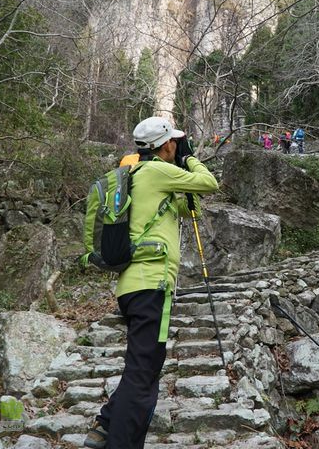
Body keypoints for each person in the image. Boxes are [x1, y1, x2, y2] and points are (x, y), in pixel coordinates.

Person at [84, 117, 219, 449]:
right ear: (167, 145)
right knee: (144, 375)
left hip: (133, 286)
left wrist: (182, 180)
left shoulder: (140, 177)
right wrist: (189, 158)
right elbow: (210, 183)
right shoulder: (159, 171)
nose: (177, 146)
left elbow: (193, 211)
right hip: (152, 284)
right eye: (175, 142)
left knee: (143, 366)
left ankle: (105, 425)